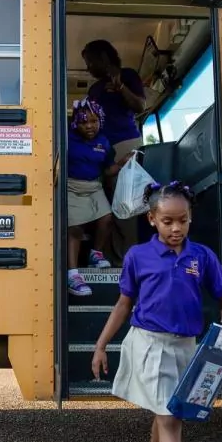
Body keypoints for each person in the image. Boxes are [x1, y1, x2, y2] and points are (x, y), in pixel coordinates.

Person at [90, 180, 222, 442]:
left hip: (186, 346)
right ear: (152, 220)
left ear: (190, 219)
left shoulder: (201, 256)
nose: (176, 228)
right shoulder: (137, 257)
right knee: (170, 419)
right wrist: (100, 345)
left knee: (170, 412)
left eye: (183, 221)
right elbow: (124, 304)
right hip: (149, 344)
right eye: (168, 221)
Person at [81, 39, 147, 266]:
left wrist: (120, 88)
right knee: (105, 205)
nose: (88, 68)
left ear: (103, 58)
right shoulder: (94, 90)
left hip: (126, 144)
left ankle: (127, 261)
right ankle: (109, 258)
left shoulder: (128, 75)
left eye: (90, 62)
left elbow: (140, 106)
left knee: (127, 204)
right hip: (102, 150)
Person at [66, 97, 131, 296]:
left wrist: (122, 163)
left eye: (94, 121)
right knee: (75, 228)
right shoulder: (66, 138)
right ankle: (72, 274)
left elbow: (108, 170)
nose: (89, 126)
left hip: (94, 186)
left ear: (100, 120)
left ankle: (96, 254)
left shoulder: (104, 141)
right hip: (71, 186)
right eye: (84, 122)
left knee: (107, 218)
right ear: (76, 123)